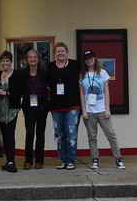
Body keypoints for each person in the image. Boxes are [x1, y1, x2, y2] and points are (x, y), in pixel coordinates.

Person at [80, 50, 125, 170]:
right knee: (92, 137)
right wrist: (84, 111)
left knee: (111, 135)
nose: (89, 60)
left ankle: (118, 158)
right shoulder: (82, 74)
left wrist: (107, 109)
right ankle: (95, 159)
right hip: (89, 111)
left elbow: (106, 91)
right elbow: (82, 94)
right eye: (87, 59)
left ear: (95, 58)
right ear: (84, 61)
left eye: (91, 58)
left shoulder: (103, 72)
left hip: (102, 110)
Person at [11, 49, 48, 169]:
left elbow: (49, 88)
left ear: (38, 59)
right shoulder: (22, 73)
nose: (32, 59)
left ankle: (39, 160)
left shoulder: (44, 72)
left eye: (35, 57)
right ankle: (28, 160)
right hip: (28, 107)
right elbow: (16, 87)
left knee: (40, 133)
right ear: (27, 60)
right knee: (30, 133)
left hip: (42, 107)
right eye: (30, 57)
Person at [47, 42, 81, 170]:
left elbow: (83, 80)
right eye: (58, 51)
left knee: (71, 133)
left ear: (67, 52)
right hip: (56, 107)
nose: (60, 53)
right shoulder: (50, 67)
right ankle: (62, 160)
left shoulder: (75, 65)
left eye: (62, 51)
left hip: (73, 106)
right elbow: (46, 86)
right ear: (54, 54)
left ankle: (71, 160)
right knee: (59, 134)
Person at [0, 51, 19, 173]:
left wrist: (5, 93)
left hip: (11, 110)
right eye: (3, 61)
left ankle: (12, 162)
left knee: (10, 135)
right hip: (0, 109)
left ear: (11, 62)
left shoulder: (16, 75)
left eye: (7, 61)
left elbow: (19, 92)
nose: (5, 63)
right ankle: (8, 161)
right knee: (4, 135)